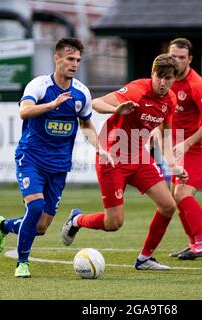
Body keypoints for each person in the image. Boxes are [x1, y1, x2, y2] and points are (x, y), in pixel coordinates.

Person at [61, 54, 189, 270]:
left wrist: (172, 163)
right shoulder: (136, 91)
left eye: (168, 78)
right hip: (112, 156)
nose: (163, 83)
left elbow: (164, 134)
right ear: (152, 74)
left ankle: (144, 259)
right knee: (114, 223)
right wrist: (115, 110)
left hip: (139, 156)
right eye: (159, 77)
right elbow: (95, 103)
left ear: (175, 79)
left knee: (168, 206)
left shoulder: (170, 100)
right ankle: (77, 220)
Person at [0, 38, 103, 278]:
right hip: (30, 158)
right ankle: (23, 263)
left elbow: (85, 124)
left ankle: (3, 226)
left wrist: (99, 147)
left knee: (40, 227)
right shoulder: (39, 85)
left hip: (59, 165)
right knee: (36, 206)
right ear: (57, 58)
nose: (74, 64)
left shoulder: (81, 93)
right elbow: (24, 111)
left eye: (78, 60)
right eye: (70, 59)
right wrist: (52, 104)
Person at [165, 38, 202, 260]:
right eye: (173, 56)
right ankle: (193, 244)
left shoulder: (197, 85)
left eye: (181, 57)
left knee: (182, 193)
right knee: (174, 197)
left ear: (190, 59)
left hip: (198, 148)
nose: (176, 61)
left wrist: (187, 143)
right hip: (177, 146)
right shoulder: (165, 79)